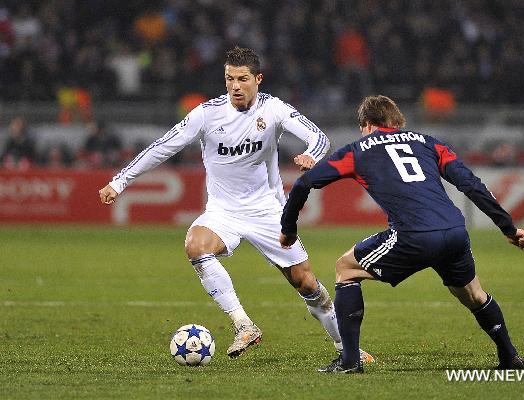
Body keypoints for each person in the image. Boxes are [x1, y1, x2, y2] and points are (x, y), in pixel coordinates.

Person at [98, 46, 373, 362]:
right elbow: (162, 148)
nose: (235, 86)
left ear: (258, 79)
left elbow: (319, 138)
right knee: (195, 245)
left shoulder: (274, 109)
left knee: (306, 283)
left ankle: (346, 348)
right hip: (222, 211)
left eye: (242, 79)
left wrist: (311, 154)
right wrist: (119, 182)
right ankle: (243, 324)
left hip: (269, 211)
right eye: (229, 79)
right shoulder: (207, 114)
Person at [280, 95, 524, 373]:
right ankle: (509, 357)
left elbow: (303, 183)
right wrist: (508, 227)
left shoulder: (358, 150)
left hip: (413, 235)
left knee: (346, 268)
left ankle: (350, 361)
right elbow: (471, 184)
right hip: (454, 232)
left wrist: (288, 229)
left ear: (366, 125)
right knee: (474, 295)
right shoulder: (429, 143)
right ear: (395, 122)